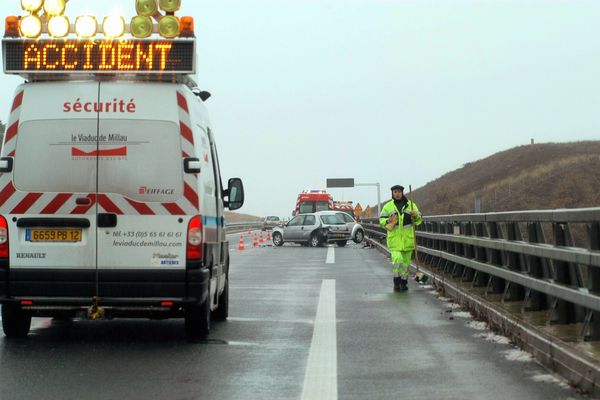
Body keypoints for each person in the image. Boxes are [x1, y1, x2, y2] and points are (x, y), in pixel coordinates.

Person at [379, 185, 422, 291]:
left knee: (406, 264)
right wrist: (388, 221)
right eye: (395, 192)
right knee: (398, 259)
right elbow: (381, 221)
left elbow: (419, 220)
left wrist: (416, 215)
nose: (397, 193)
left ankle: (404, 282)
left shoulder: (411, 205)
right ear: (392, 193)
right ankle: (396, 281)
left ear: (402, 192)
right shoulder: (387, 207)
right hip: (395, 241)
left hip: (408, 240)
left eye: (399, 191)